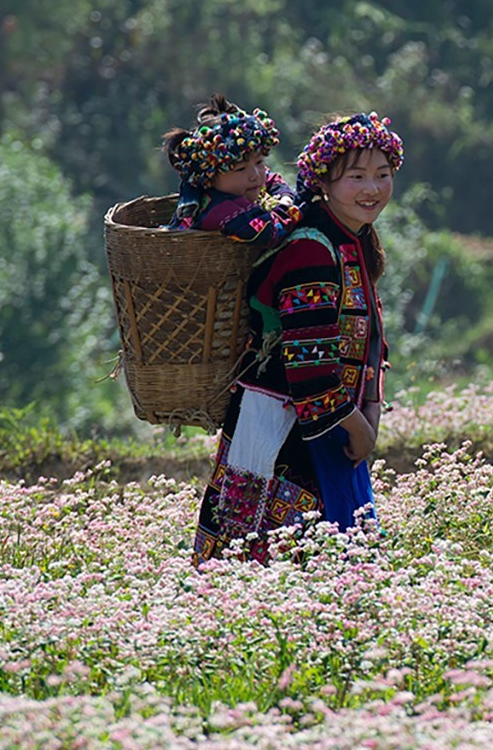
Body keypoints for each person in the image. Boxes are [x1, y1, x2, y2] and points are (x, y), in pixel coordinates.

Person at [190, 110, 403, 564]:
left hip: (332, 424)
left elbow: (369, 342)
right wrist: (358, 427)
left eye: (382, 175)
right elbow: (308, 366)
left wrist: (370, 411)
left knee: (329, 576)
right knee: (282, 570)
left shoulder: (350, 240)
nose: (372, 189)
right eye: (357, 176)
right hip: (289, 430)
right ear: (324, 182)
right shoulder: (310, 247)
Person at [160, 95, 302, 245]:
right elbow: (271, 232)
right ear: (210, 177)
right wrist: (286, 207)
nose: (255, 175)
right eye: (241, 169)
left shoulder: (241, 186)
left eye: (259, 162)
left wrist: (284, 195)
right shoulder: (221, 211)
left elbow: (272, 179)